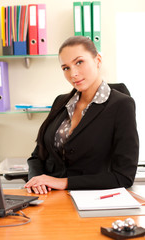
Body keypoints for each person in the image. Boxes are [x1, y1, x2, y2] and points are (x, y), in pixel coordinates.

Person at [24, 36, 139, 195]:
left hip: (93, 200)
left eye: (79, 62)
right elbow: (37, 156)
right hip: (49, 199)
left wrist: (63, 183)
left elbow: (124, 176)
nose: (73, 74)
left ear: (97, 60)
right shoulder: (61, 102)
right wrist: (37, 180)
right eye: (66, 68)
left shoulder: (121, 105)